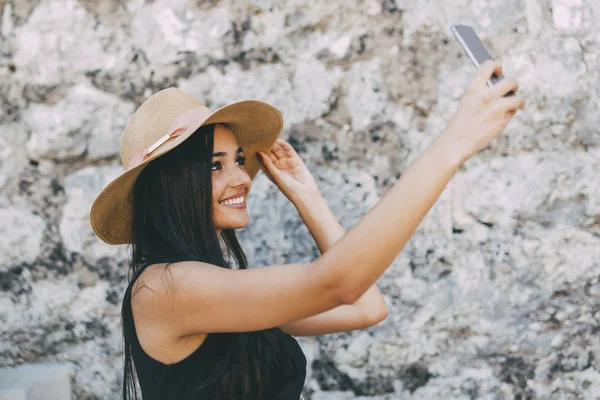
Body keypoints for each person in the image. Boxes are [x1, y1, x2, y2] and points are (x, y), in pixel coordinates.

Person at [90, 59, 525, 400]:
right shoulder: (165, 289)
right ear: (172, 186)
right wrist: (454, 144)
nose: (242, 177)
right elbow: (337, 283)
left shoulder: (220, 289)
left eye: (239, 160)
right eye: (215, 166)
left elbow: (366, 306)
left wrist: (308, 198)